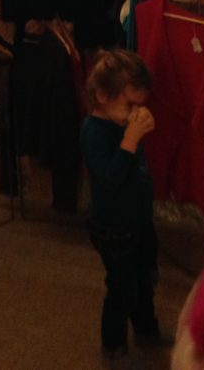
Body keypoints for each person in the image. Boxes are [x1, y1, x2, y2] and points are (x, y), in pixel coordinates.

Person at [80, 49, 169, 363]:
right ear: (103, 96)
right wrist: (131, 138)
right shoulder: (93, 132)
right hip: (113, 228)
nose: (136, 113)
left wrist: (136, 129)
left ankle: (146, 330)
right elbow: (110, 177)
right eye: (131, 105)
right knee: (122, 289)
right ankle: (113, 345)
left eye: (140, 106)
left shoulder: (121, 121)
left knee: (145, 280)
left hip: (139, 219)